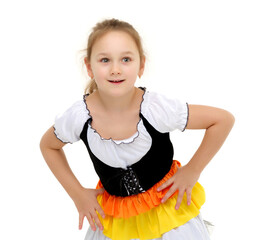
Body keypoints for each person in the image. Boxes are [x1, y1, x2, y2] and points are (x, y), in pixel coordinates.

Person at [40, 18, 235, 240]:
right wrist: (77, 194)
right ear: (89, 66)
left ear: (141, 65)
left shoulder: (156, 109)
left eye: (125, 59)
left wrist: (193, 170)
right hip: (116, 222)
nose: (115, 69)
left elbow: (222, 120)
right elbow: (48, 146)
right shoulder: (79, 117)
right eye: (105, 60)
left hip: (169, 217)